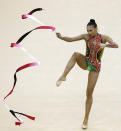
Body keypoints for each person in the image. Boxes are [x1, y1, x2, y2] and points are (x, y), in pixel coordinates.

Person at [55, 19, 118, 129]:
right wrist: (61, 37)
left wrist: (104, 45)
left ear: (96, 29)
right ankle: (64, 76)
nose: (89, 32)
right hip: (86, 62)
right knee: (75, 54)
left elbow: (116, 45)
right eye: (87, 30)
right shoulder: (86, 37)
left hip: (95, 67)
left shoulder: (104, 37)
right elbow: (71, 39)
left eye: (91, 30)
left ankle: (86, 119)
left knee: (88, 94)